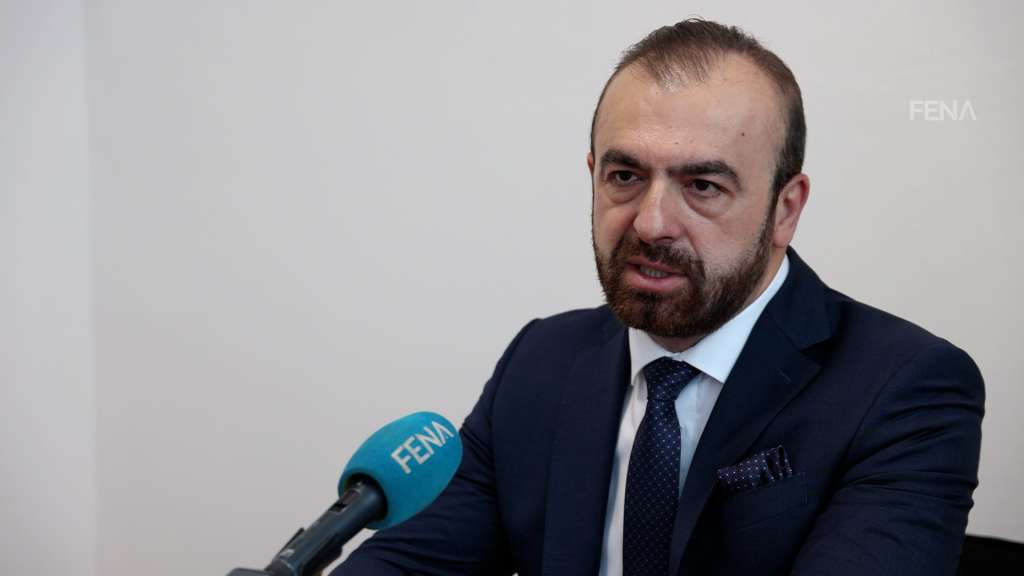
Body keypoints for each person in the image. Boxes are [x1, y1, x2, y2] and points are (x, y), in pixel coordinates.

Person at [332, 18, 984, 576]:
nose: (650, 223)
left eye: (702, 186)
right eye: (625, 176)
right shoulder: (540, 361)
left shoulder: (905, 389)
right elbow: (408, 563)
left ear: (785, 209)